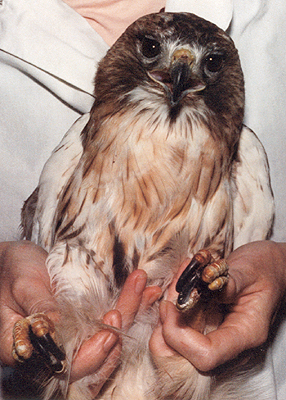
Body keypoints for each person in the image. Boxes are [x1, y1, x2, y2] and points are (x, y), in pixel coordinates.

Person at [0, 0, 286, 398]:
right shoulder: (76, 150)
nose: (181, 69)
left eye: (211, 64)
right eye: (153, 50)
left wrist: (280, 266)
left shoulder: (244, 157)